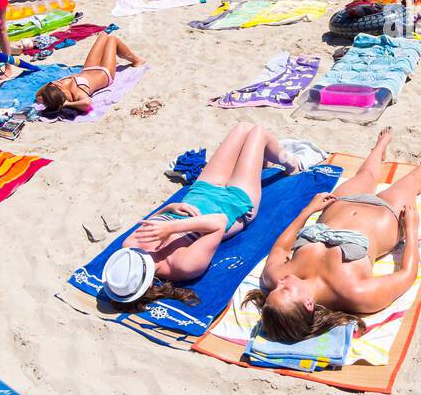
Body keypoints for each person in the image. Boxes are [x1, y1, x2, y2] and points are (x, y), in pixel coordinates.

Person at [247, 129, 421, 344]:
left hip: (339, 203)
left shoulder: (277, 276)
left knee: (365, 176)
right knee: (411, 182)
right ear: (308, 303)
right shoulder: (355, 294)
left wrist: (308, 211)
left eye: (274, 291)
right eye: (285, 290)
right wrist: (412, 230)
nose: (279, 284)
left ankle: (379, 147)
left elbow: (281, 248)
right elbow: (406, 275)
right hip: (386, 216)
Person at [104, 124, 302, 300]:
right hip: (235, 204)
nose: (136, 252)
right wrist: (172, 227)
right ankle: (290, 163)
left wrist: (169, 209)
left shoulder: (130, 246)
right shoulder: (182, 266)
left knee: (242, 129)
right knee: (258, 133)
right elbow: (219, 222)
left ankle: (259, 162)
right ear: (148, 284)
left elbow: (160, 216)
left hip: (201, 192)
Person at [35, 33, 144, 115]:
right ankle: (136, 60)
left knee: (103, 35)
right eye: (57, 87)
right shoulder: (78, 93)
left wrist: (49, 84)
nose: (58, 84)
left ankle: (112, 59)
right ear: (62, 94)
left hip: (88, 68)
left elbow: (38, 96)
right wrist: (66, 104)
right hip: (104, 73)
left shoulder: (53, 91)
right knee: (112, 39)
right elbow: (87, 104)